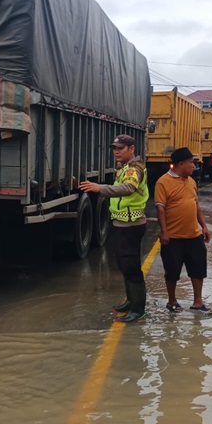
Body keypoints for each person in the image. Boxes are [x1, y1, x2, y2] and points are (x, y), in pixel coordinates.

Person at [79, 134, 149, 323]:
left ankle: (138, 308)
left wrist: (99, 188)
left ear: (132, 148)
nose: (116, 152)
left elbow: (127, 189)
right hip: (122, 222)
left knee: (131, 265)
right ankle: (130, 300)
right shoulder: (124, 167)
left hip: (132, 224)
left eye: (121, 148)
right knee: (124, 263)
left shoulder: (134, 169)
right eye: (114, 148)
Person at [154, 147, 212, 315]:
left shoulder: (191, 181)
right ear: (180, 164)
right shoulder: (163, 182)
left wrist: (204, 226)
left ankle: (198, 302)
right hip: (173, 237)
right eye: (191, 163)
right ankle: (172, 301)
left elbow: (196, 205)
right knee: (172, 271)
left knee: (198, 268)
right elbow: (160, 209)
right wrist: (164, 232)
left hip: (193, 235)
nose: (194, 166)